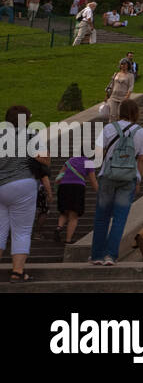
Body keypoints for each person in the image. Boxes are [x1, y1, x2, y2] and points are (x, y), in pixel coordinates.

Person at [88, 99, 143, 266]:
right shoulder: (142, 132)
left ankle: (96, 255)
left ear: (120, 111)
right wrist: (139, 179)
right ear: (136, 113)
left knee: (102, 217)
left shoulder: (109, 128)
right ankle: (110, 255)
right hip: (128, 178)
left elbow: (98, 152)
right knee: (119, 219)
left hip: (108, 176)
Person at [0, 105, 47, 282]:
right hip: (23, 184)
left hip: (0, 185)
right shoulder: (30, 134)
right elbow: (45, 159)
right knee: (22, 230)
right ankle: (17, 271)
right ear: (25, 120)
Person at [54, 153, 97, 246]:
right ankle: (68, 240)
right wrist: (99, 191)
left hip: (64, 187)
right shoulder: (89, 162)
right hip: (77, 188)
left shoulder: (70, 160)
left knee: (64, 212)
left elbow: (60, 174)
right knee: (73, 216)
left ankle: (58, 227)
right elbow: (93, 180)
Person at [103, 57, 135, 123]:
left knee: (120, 114)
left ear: (128, 65)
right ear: (120, 65)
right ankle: (112, 129)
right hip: (113, 97)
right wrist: (107, 95)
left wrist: (127, 96)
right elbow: (111, 85)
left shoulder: (130, 75)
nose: (123, 66)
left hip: (123, 97)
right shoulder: (116, 74)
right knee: (112, 114)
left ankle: (120, 129)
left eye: (125, 64)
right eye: (122, 64)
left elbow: (130, 87)